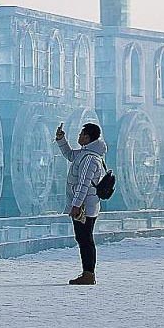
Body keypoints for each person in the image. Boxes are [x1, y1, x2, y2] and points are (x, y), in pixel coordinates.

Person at [55, 121, 107, 285]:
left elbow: (83, 183)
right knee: (84, 238)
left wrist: (76, 205)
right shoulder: (86, 154)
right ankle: (88, 272)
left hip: (84, 206)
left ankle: (89, 274)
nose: (78, 136)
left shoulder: (90, 159)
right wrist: (61, 140)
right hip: (86, 204)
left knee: (85, 239)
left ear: (87, 137)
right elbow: (71, 155)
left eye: (81, 134)